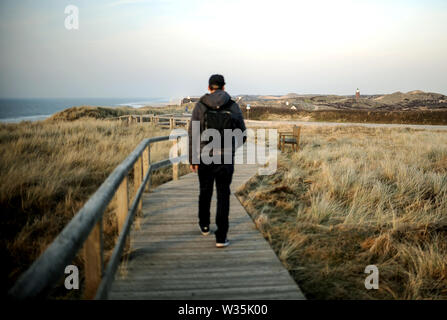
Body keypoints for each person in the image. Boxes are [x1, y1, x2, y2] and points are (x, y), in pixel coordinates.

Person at [188, 74, 246, 248]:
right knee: (223, 196)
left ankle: (205, 226)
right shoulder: (233, 106)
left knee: (205, 192)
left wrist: (193, 158)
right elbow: (242, 133)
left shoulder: (200, 106)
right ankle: (221, 237)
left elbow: (193, 133)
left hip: (205, 156)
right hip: (226, 157)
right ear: (224, 87)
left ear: (209, 87)